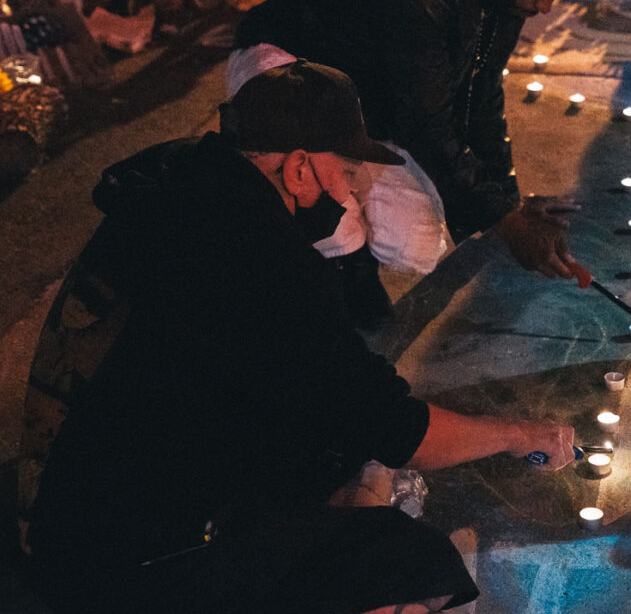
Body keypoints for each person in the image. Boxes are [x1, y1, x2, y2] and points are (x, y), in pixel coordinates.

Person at [21, 60, 576, 613]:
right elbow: (396, 428)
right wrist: (518, 433)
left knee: (330, 469)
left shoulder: (172, 194)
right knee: (410, 565)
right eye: (350, 177)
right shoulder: (264, 260)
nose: (353, 198)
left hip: (64, 512)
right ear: (300, 170)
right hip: (132, 565)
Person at [230, 0, 598, 326]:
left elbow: (481, 98)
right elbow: (427, 121)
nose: (546, 5)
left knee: (418, 243)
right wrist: (507, 221)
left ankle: (342, 175)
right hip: (287, 68)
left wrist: (507, 200)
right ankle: (325, 235)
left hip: (365, 97)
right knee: (327, 218)